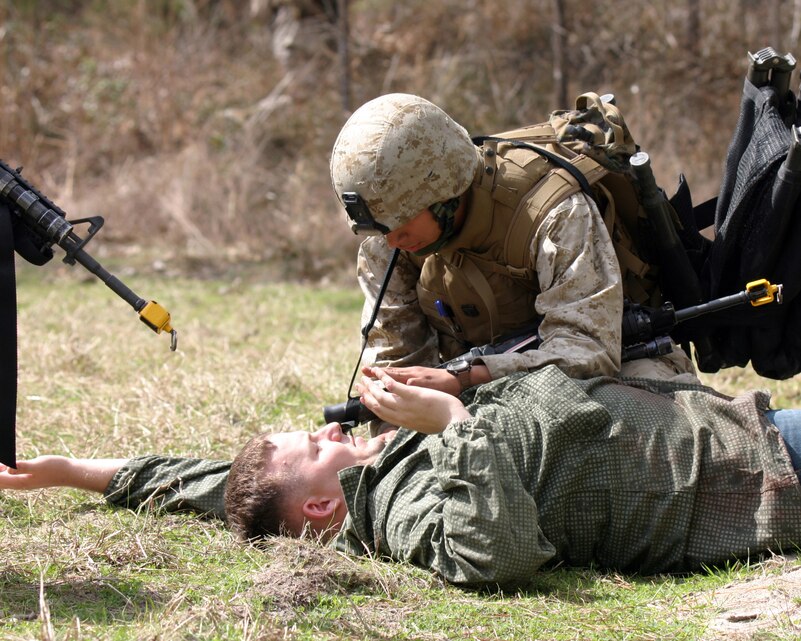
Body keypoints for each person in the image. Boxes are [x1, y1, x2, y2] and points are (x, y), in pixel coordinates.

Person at [5, 366, 801, 589]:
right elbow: (494, 553)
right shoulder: (399, 511)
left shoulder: (310, 487)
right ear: (320, 504)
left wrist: (73, 471)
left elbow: (198, 480)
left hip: (725, 421)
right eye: (309, 445)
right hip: (746, 476)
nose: (324, 429)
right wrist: (450, 422)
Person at [328, 93, 698, 409]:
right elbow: (399, 361)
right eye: (382, 228)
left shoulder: (552, 211)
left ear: (444, 191)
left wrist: (466, 379)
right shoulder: (388, 241)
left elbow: (587, 352)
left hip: (620, 364)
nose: (392, 241)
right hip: (481, 388)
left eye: (401, 224)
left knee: (642, 422)